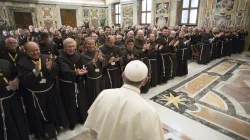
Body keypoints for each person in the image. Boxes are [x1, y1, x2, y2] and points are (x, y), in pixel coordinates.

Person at [84, 60, 165, 140]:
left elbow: (92, 129)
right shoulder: (149, 111)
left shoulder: (104, 94)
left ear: (122, 76)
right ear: (145, 81)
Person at [18, 42, 69, 139]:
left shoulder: (46, 57)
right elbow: (23, 80)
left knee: (52, 111)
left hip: (49, 91)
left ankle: (54, 129)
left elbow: (56, 70)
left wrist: (50, 69)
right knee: (38, 115)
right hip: (35, 95)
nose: (36, 52)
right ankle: (42, 132)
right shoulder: (22, 62)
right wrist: (35, 72)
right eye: (32, 51)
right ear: (26, 51)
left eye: (37, 50)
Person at [57, 38, 88, 130]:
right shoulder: (60, 57)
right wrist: (75, 72)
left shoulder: (78, 54)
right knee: (69, 104)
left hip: (78, 82)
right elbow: (64, 70)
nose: (71, 48)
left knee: (81, 101)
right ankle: (72, 122)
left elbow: (83, 64)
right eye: (69, 46)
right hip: (68, 85)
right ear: (64, 47)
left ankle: (82, 118)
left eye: (73, 46)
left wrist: (83, 69)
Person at [0, 59, 30, 140]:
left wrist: (17, 79)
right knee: (6, 123)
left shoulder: (5, 62)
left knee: (19, 119)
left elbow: (16, 73)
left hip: (13, 97)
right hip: (1, 102)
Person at [81, 37, 107, 108]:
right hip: (90, 80)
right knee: (91, 97)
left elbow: (105, 62)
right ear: (85, 44)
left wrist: (101, 59)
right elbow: (83, 67)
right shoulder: (83, 55)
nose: (91, 46)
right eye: (89, 44)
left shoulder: (98, 51)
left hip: (99, 78)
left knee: (100, 95)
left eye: (92, 44)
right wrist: (93, 61)